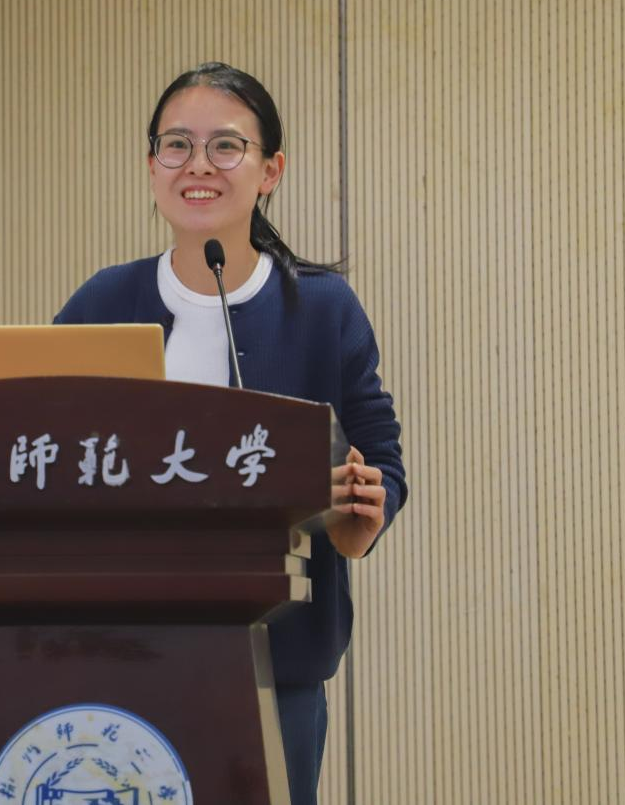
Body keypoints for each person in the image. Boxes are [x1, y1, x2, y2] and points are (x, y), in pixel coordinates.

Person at [54, 61, 407, 805]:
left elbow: (380, 456)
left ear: (269, 170)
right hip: (120, 657)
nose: (198, 165)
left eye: (225, 146)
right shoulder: (103, 301)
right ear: (151, 165)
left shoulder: (322, 309)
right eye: (176, 145)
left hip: (275, 660)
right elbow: (45, 448)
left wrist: (364, 502)